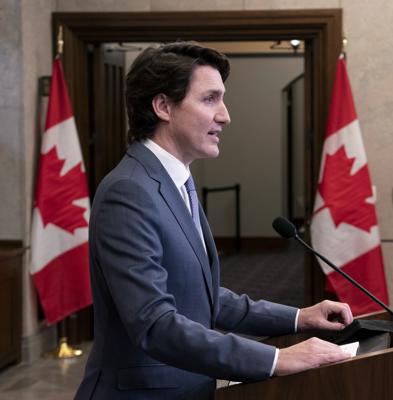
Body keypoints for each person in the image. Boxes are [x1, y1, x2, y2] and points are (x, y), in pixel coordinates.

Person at [74, 42, 353, 400]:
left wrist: (298, 317)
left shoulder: (176, 180)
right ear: (163, 107)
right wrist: (275, 359)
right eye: (210, 99)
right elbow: (155, 324)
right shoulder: (128, 191)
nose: (225, 115)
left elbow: (200, 296)